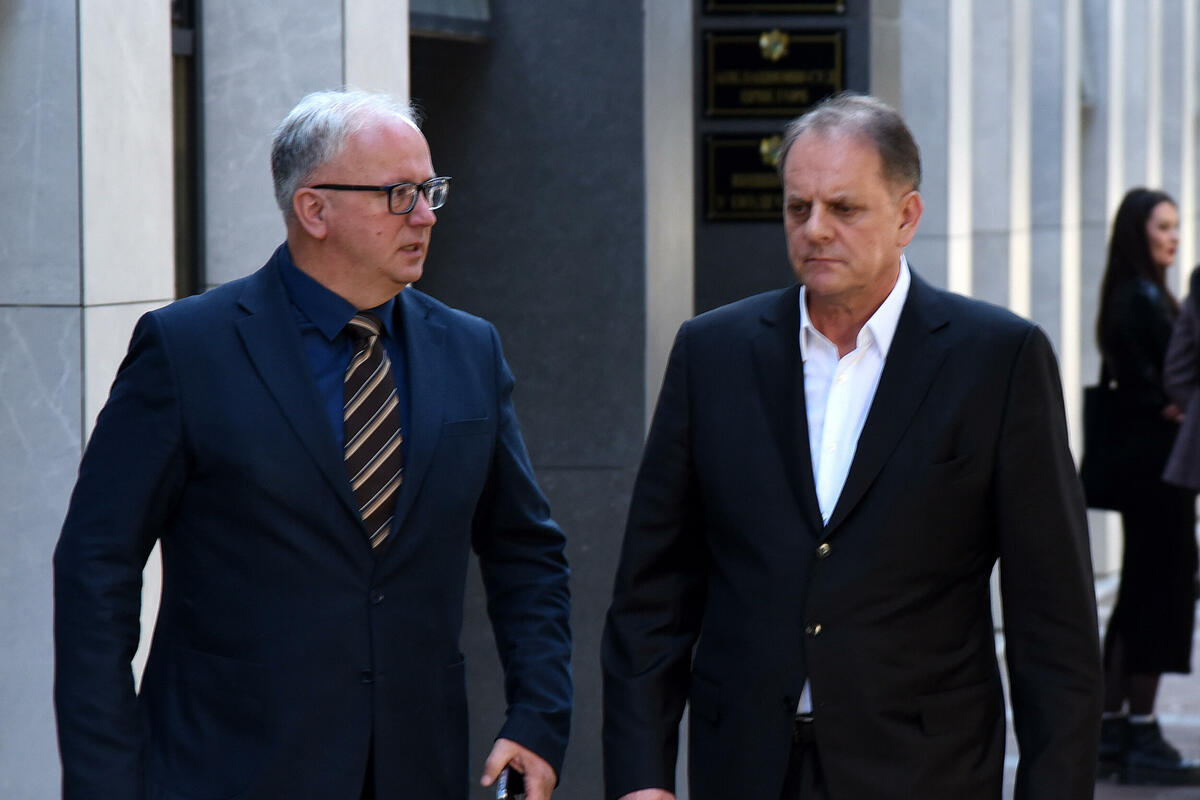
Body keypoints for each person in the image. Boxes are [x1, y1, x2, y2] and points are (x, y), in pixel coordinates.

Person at [53, 89, 572, 800]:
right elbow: (96, 570)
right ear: (314, 210)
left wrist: (538, 715)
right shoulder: (187, 349)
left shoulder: (469, 350)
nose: (425, 215)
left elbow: (526, 551)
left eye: (430, 191)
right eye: (398, 194)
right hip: (225, 773)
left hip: (416, 770)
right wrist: (106, 782)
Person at [601, 93, 1101, 800]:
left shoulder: (997, 360)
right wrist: (640, 778)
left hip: (924, 773)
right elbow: (653, 593)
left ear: (907, 217)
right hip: (744, 768)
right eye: (797, 207)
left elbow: (1054, 623)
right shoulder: (713, 354)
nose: (815, 229)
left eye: (843, 208)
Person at [1095, 188, 1200, 785]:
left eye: (1177, 226)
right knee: (1160, 597)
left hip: (1145, 476)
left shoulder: (1130, 294)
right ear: (1138, 232)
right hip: (1162, 476)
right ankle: (1141, 733)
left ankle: (1112, 731)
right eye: (1163, 227)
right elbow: (1164, 387)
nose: (1174, 237)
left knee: (1138, 596)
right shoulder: (1143, 299)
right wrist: (1176, 402)